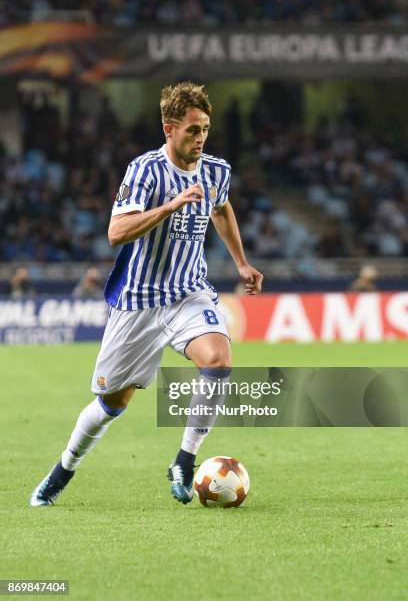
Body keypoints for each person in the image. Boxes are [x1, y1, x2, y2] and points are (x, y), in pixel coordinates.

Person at [30, 81, 263, 507]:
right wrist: (170, 206)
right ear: (169, 128)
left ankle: (185, 460)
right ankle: (63, 468)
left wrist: (241, 262)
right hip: (138, 303)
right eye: (193, 130)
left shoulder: (216, 171)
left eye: (206, 129)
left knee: (218, 359)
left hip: (190, 292)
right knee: (111, 403)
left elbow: (221, 206)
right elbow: (116, 233)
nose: (201, 138)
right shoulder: (144, 171)